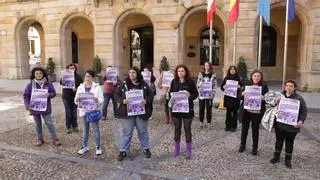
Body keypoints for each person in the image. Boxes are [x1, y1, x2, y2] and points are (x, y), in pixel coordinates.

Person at [116, 67, 154, 161]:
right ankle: (123, 150)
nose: (131, 74)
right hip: (127, 113)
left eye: (133, 72)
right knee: (127, 132)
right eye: (130, 72)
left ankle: (146, 148)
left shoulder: (143, 84)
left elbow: (151, 95)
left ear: (137, 74)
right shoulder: (124, 84)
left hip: (140, 112)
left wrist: (146, 101)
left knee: (142, 131)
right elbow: (117, 95)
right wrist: (122, 100)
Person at [269, 80, 307, 168]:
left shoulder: (299, 98)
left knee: (289, 143)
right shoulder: (280, 96)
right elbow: (271, 105)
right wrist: (275, 101)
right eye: (287, 86)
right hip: (280, 124)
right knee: (278, 141)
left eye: (291, 86)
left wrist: (300, 121)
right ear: (285, 87)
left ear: (294, 88)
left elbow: (303, 112)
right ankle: (276, 157)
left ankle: (288, 160)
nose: (289, 87)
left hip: (292, 126)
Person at [23, 67, 61, 146]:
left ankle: (55, 138)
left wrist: (49, 95)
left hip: (45, 108)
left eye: (40, 73)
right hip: (34, 108)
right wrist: (27, 106)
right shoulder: (30, 86)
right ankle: (40, 139)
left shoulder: (48, 84)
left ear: (43, 74)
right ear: (34, 75)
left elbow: (53, 93)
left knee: (49, 123)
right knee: (37, 124)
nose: (38, 75)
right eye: (36, 73)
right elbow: (26, 96)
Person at [170, 64, 199, 159]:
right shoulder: (174, 82)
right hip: (176, 110)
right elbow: (171, 94)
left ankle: (189, 151)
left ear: (185, 72)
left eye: (182, 71)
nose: (180, 73)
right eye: (178, 71)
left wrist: (189, 95)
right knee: (177, 129)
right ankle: (176, 150)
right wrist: (170, 99)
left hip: (187, 110)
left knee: (187, 129)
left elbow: (196, 94)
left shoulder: (190, 82)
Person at [238, 69, 269, 155]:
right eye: (255, 76)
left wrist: (263, 98)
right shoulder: (247, 84)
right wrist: (242, 94)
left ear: (261, 77)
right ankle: (242, 145)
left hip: (257, 112)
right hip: (246, 111)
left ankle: (255, 147)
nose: (256, 77)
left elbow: (268, 98)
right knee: (244, 129)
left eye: (258, 76)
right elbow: (239, 96)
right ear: (252, 76)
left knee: (255, 130)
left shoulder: (264, 85)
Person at [75, 70, 104, 155]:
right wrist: (77, 100)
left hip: (93, 111)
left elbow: (102, 99)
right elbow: (76, 100)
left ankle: (98, 147)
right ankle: (84, 146)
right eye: (86, 76)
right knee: (85, 129)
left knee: (96, 129)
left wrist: (97, 100)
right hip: (84, 111)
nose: (87, 78)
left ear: (92, 77)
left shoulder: (97, 87)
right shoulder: (80, 87)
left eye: (89, 76)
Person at [60, 63, 83, 133]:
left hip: (75, 97)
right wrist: (64, 76)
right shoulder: (65, 75)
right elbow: (61, 82)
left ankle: (75, 126)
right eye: (70, 68)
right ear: (68, 69)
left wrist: (76, 88)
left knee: (74, 112)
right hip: (66, 97)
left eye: (73, 68)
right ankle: (68, 127)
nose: (72, 69)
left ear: (75, 69)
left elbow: (81, 86)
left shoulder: (78, 77)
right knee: (68, 113)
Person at [220, 65, 242, 132]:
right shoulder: (226, 78)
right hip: (228, 98)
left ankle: (233, 126)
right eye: (231, 69)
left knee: (235, 113)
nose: (232, 70)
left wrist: (239, 87)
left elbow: (242, 87)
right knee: (228, 112)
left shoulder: (238, 78)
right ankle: (227, 125)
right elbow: (221, 87)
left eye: (233, 69)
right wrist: (224, 87)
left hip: (235, 98)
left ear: (235, 71)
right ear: (229, 70)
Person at [197, 61, 217, 129]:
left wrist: (213, 93)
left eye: (208, 66)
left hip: (209, 95)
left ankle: (209, 122)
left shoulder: (213, 75)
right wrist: (200, 85)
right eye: (205, 65)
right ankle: (201, 122)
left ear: (210, 66)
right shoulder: (201, 74)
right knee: (201, 108)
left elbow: (214, 85)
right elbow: (198, 84)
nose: (206, 67)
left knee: (209, 109)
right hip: (202, 95)